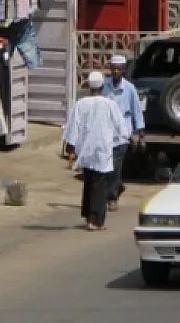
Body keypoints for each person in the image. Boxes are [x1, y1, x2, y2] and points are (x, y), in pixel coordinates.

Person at [63, 71, 125, 231]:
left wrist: (71, 147)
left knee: (89, 181)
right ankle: (96, 220)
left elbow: (73, 127)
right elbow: (120, 125)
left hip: (86, 149)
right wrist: (124, 137)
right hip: (102, 148)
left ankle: (88, 215)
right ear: (103, 86)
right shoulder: (109, 103)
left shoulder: (81, 103)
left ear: (89, 86)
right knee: (99, 185)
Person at [101, 54, 144, 212]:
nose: (116, 72)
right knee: (105, 167)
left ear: (124, 70)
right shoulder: (104, 86)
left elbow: (136, 111)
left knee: (116, 167)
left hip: (122, 135)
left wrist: (140, 134)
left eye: (119, 69)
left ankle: (111, 198)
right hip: (105, 132)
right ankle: (117, 187)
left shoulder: (129, 89)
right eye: (113, 69)